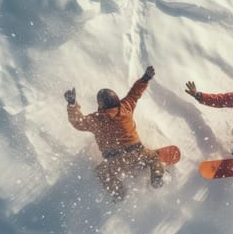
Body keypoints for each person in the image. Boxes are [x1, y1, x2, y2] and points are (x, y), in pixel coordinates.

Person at [64, 66, 164, 202]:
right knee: (153, 157)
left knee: (101, 172)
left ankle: (118, 192)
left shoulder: (95, 119)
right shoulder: (126, 107)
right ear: (116, 99)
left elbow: (78, 122)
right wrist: (146, 78)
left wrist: (72, 104)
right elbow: (135, 94)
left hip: (115, 162)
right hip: (137, 153)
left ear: (100, 104)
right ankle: (157, 175)